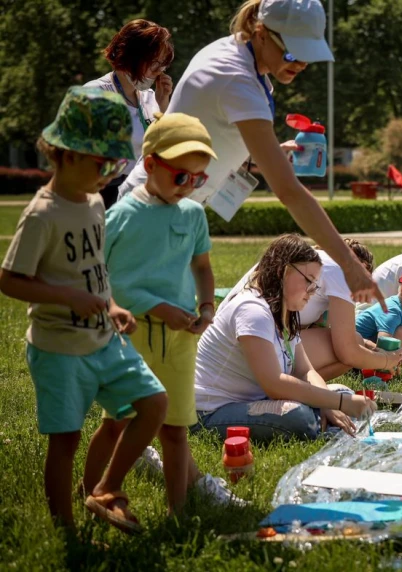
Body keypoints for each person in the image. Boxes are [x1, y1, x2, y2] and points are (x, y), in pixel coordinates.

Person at [118, 0, 384, 309]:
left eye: (308, 56)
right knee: (134, 326)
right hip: (152, 214)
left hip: (171, 209)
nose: (300, 64)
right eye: (292, 53)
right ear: (261, 33)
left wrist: (263, 154)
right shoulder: (237, 79)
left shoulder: (235, 55)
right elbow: (289, 192)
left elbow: (213, 131)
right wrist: (349, 265)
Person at [0, 87, 167, 532]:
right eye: (103, 165)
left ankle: (104, 490)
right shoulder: (42, 214)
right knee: (65, 441)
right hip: (59, 347)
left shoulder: (94, 203)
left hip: (104, 338)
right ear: (68, 154)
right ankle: (67, 533)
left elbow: (95, 269)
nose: (111, 175)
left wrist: (111, 305)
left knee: (152, 404)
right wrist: (69, 297)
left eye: (117, 165)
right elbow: (9, 280)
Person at [81, 113, 218, 516]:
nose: (188, 187)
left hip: (179, 340)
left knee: (175, 430)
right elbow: (104, 280)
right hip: (132, 336)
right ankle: (92, 494)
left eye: (198, 179)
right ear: (151, 164)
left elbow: (202, 267)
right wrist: (159, 308)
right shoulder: (121, 216)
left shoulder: (193, 214)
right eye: (181, 177)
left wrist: (206, 307)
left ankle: (178, 514)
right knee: (117, 421)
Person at [194, 235, 376, 441]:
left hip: (255, 399)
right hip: (212, 410)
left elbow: (305, 370)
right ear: (283, 271)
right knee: (300, 417)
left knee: (342, 391)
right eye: (308, 280)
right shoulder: (252, 310)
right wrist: (338, 403)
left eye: (315, 284)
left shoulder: (285, 313)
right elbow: (274, 384)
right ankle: (321, 422)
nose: (312, 292)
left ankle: (323, 419)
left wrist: (330, 402)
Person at [85, 19, 174, 209]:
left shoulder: (151, 98)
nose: (159, 72)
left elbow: (169, 146)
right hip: (103, 197)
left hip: (145, 196)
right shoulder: (95, 94)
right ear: (132, 57)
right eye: (154, 63)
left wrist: (164, 105)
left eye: (163, 65)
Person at [296, 240, 402, 381]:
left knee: (355, 343)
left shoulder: (319, 263)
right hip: (275, 346)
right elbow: (348, 350)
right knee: (355, 345)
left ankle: (298, 383)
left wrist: (372, 349)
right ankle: (297, 384)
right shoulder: (342, 273)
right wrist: (385, 361)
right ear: (362, 267)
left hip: (272, 342)